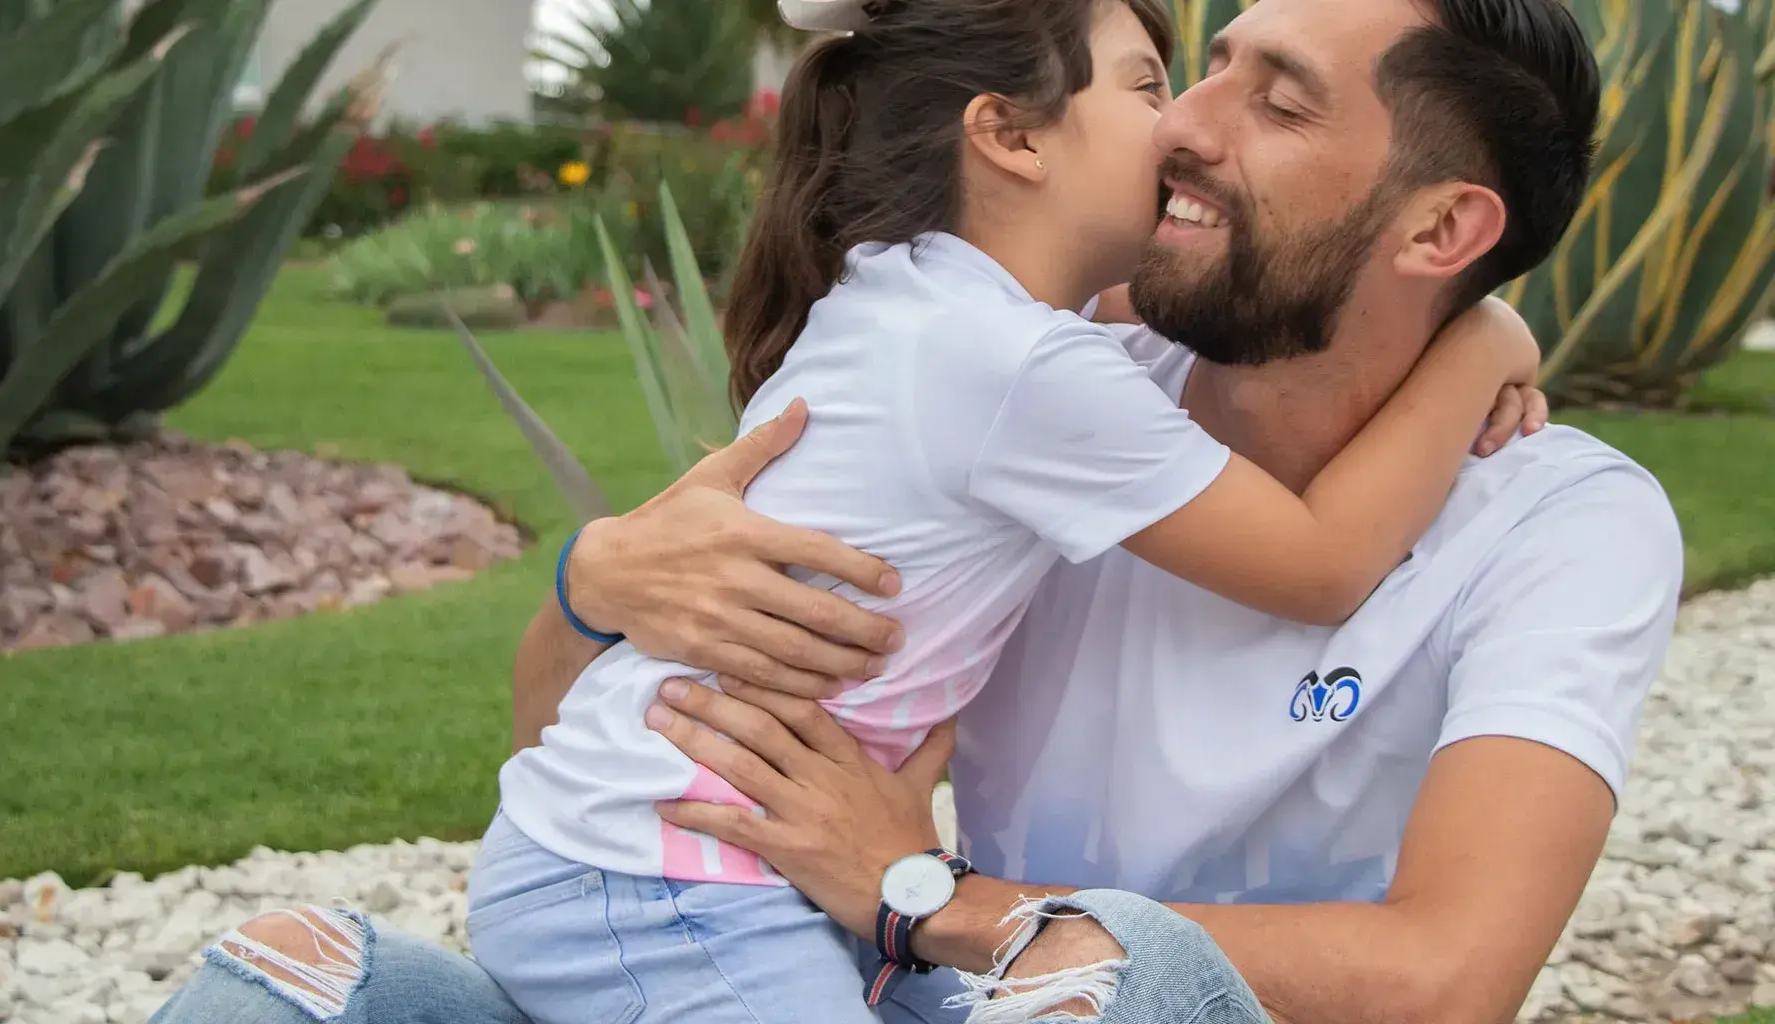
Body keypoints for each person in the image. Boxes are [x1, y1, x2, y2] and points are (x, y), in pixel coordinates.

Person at [147, 0, 1682, 1022]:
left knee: (1109, 996)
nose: (1191, 125)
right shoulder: (1062, 395)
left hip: (1036, 983)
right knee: (287, 994)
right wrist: (602, 573)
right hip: (853, 957)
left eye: (1268, 101)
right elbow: (567, 718)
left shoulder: (1561, 525)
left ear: (1444, 226)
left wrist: (926, 894)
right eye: (1188, 71)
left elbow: (1448, 972)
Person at [472, 0, 1546, 1018]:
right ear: (1012, 138)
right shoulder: (1022, 367)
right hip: (671, 884)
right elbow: (1323, 564)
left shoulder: (926, 293)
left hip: (671, 859)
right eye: (1146, 85)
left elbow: (1147, 301)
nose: (1178, 125)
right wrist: (1481, 337)